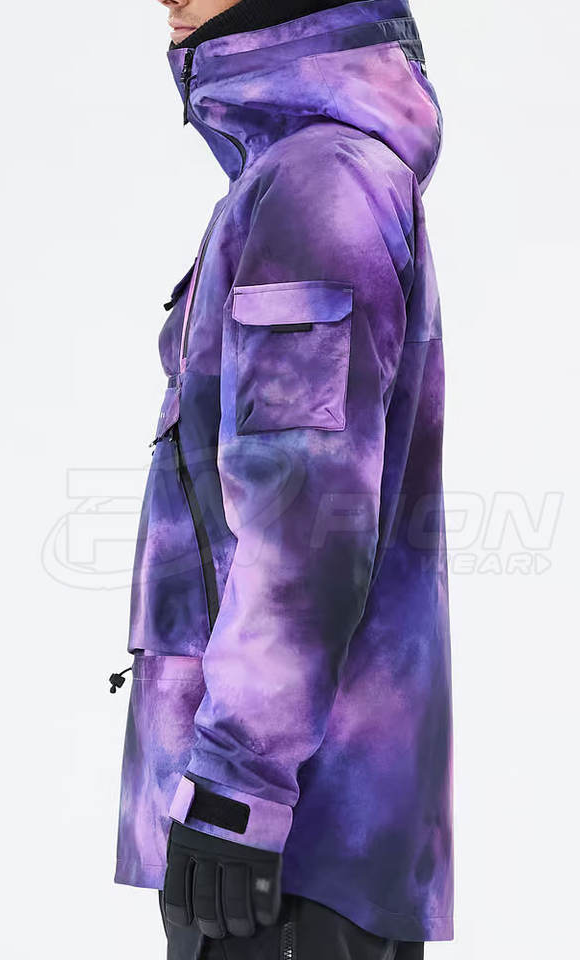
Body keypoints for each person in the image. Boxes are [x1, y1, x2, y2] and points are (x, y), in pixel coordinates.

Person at [113, 1, 451, 956]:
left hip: (285, 841)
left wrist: (236, 788)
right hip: (295, 830)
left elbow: (305, 522)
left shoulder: (319, 186)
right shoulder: (298, 177)